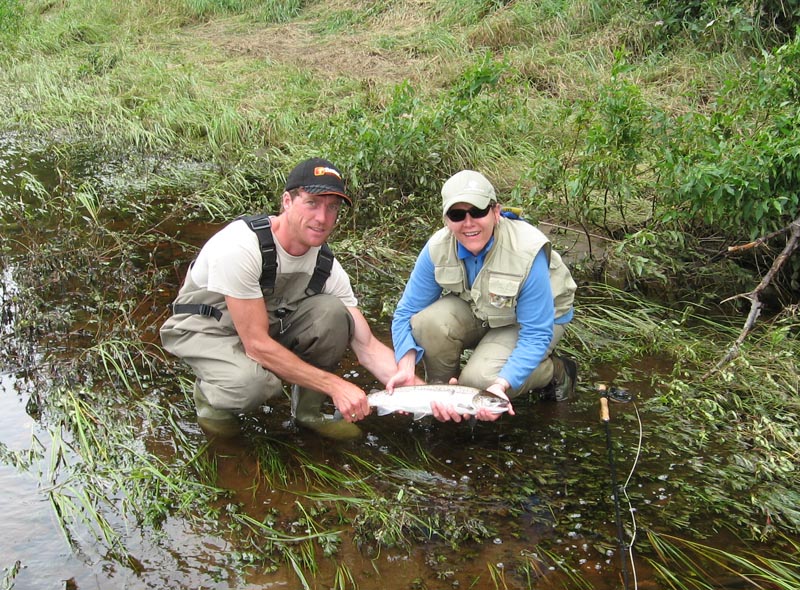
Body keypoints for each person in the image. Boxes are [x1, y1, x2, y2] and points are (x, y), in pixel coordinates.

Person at [160, 157, 418, 438]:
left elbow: (367, 346)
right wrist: (335, 385)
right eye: (312, 203)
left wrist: (420, 391)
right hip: (206, 327)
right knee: (252, 385)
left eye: (332, 207)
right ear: (286, 201)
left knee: (334, 314)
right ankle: (211, 401)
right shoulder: (240, 246)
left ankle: (308, 413)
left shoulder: (327, 266)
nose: (322, 218)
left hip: (259, 325)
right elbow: (256, 345)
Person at [388, 170, 577, 423]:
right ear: (446, 220)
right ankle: (442, 401)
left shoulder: (527, 250)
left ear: (496, 212)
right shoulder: (437, 248)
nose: (468, 223)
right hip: (483, 307)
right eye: (457, 215)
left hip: (535, 322)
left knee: (479, 382)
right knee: (426, 322)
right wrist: (405, 365)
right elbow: (406, 313)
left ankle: (555, 371)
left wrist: (500, 385)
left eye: (477, 212)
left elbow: (536, 334)